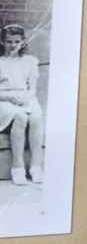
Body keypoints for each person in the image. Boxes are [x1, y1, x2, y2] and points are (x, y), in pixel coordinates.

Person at [0, 24, 44, 185]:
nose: (13, 45)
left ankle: (35, 166)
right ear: (2, 42)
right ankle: (17, 167)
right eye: (9, 41)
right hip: (3, 99)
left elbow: (32, 88)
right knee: (19, 116)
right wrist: (9, 98)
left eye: (16, 42)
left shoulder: (30, 61)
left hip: (26, 97)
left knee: (37, 116)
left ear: (23, 42)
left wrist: (26, 98)